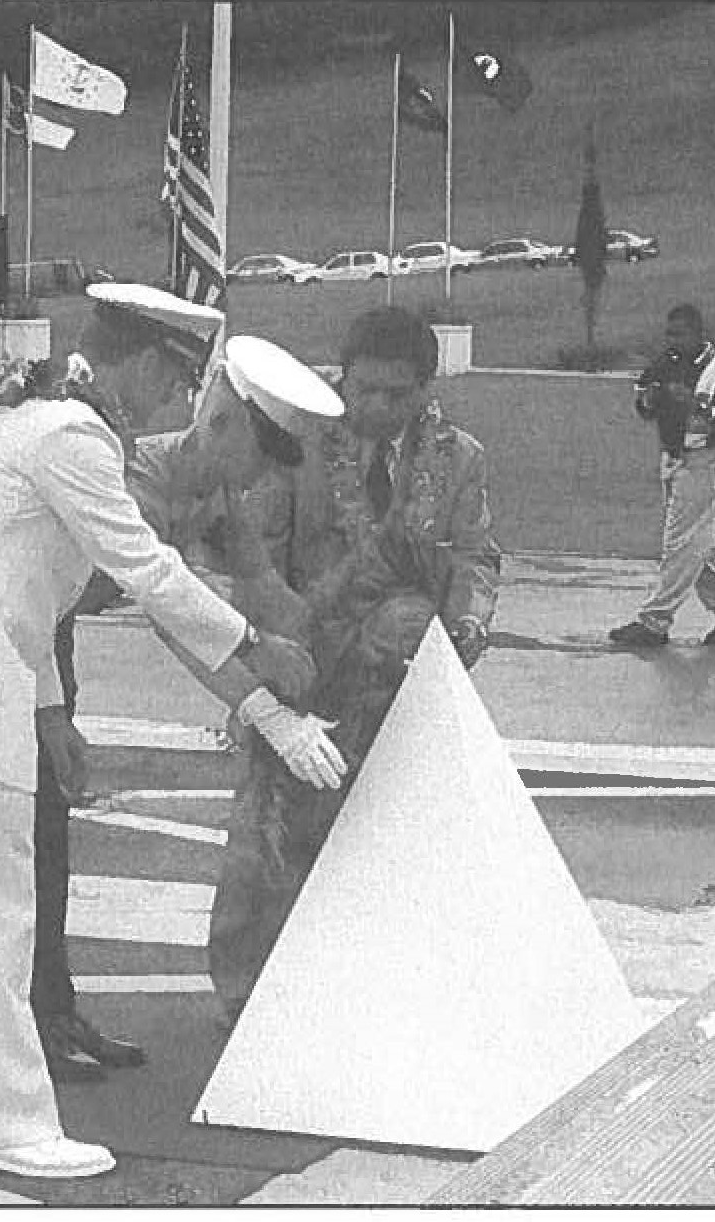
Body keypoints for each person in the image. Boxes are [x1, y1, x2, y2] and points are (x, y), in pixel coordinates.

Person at [0, 341, 346, 1180]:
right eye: (172, 377)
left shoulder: (19, 419)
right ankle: (4, 1126)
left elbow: (18, 577)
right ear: (215, 411)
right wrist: (256, 654)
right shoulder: (74, 437)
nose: (174, 394)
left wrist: (49, 711)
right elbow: (147, 572)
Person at [25, 290, 341, 1086]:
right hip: (23, 637)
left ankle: (54, 1006)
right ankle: (34, 1018)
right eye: (262, 455)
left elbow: (264, 590)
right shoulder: (136, 475)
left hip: (49, 637)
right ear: (223, 423)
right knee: (30, 838)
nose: (263, 477)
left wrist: (332, 653)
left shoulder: (217, 492)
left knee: (49, 834)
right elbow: (173, 619)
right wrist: (264, 703)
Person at [203, 305, 502, 1029]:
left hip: (403, 683)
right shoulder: (295, 445)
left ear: (426, 389)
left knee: (393, 840)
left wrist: (468, 620)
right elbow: (255, 556)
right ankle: (246, 993)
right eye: (363, 388)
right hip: (306, 668)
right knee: (269, 837)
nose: (376, 406)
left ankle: (373, 989)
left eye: (397, 393)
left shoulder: (460, 458)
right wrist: (266, 660)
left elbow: (474, 557)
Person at [609, 303, 715, 648]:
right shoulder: (666, 364)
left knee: (680, 543)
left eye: (681, 334)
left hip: (703, 462)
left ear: (699, 334)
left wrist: (697, 407)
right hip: (673, 459)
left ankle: (655, 620)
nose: (673, 341)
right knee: (699, 543)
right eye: (670, 334)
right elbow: (645, 406)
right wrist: (650, 399)